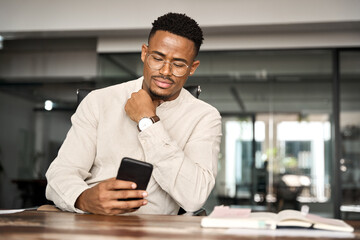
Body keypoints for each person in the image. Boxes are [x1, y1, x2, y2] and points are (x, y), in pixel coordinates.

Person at [45, 12, 222, 215]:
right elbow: (60, 174)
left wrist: (148, 122)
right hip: (92, 223)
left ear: (192, 68)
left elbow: (194, 196)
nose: (165, 71)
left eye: (179, 64)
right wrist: (83, 198)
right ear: (144, 53)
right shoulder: (99, 101)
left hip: (157, 231)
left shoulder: (205, 117)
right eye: (157, 58)